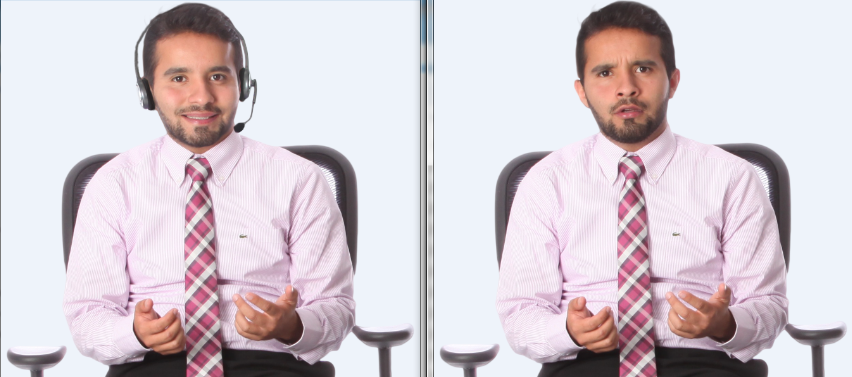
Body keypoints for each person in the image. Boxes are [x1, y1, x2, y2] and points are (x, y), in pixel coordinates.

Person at [495, 2, 787, 376]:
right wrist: (567, 329)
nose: (626, 88)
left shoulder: (732, 177)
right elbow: (520, 313)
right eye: (604, 72)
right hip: (584, 363)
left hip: (704, 361)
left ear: (673, 81)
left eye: (643, 69)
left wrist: (724, 323)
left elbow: (769, 305)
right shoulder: (546, 182)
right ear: (582, 91)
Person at [63, 3, 354, 377]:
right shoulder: (113, 183)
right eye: (178, 78)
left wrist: (291, 325)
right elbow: (87, 315)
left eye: (218, 76)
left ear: (243, 85)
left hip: (272, 364)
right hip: (151, 365)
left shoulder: (300, 179)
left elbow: (336, 307)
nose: (201, 97)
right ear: (147, 91)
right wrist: (134, 332)